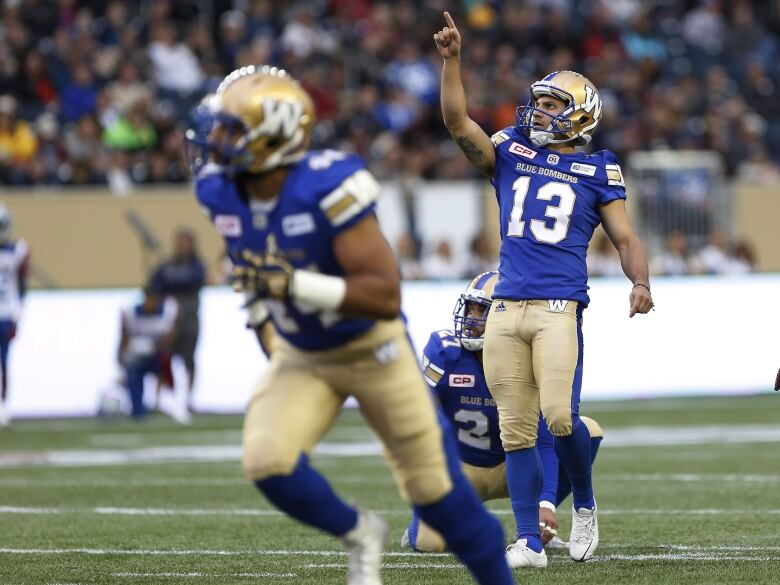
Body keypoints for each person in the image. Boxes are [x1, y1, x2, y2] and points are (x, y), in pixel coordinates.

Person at [186, 65, 514, 585]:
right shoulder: (219, 191)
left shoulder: (328, 184)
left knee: (436, 494)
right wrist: (269, 335)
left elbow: (383, 296)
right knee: (267, 460)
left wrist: (293, 285)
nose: (216, 142)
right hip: (304, 354)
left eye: (231, 128)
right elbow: (252, 274)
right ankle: (359, 530)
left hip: (373, 348)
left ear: (273, 134)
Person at [434, 12, 654, 567]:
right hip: (507, 303)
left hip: (559, 305)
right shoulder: (509, 149)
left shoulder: (600, 169)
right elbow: (458, 122)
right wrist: (452, 61)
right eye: (541, 102)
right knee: (515, 431)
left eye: (554, 104)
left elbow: (626, 236)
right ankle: (529, 541)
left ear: (578, 115)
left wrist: (641, 282)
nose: (540, 110)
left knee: (558, 416)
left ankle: (584, 502)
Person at [402, 272, 604, 553]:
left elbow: (546, 437)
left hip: (516, 465)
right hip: (460, 466)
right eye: (470, 307)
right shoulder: (445, 352)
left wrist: (545, 501)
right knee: (430, 543)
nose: (472, 318)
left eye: (481, 310)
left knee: (587, 430)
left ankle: (538, 520)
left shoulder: (531, 353)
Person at [149, 228, 206, 410]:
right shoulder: (166, 265)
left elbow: (193, 281)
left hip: (189, 318)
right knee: (163, 357)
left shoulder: (196, 266)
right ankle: (157, 399)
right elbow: (154, 285)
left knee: (189, 358)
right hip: (168, 320)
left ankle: (189, 399)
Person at [116, 284, 178, 419]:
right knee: (132, 372)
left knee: (166, 364)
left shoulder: (167, 312)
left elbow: (170, 340)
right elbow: (124, 339)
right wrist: (120, 359)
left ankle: (168, 403)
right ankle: (138, 409)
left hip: (157, 355)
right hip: (136, 357)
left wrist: (155, 345)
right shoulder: (131, 314)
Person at [0, 204, 29, 427]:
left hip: (5, 312)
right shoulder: (17, 250)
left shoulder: (18, 250)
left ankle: (3, 404)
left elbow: (22, 286)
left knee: (3, 361)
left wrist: (19, 313)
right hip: (7, 312)